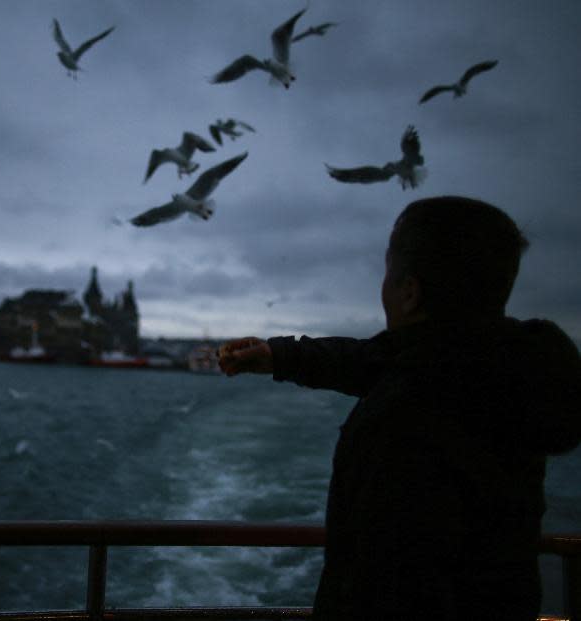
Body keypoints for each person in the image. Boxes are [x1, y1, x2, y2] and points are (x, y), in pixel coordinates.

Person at [218, 196, 581, 620]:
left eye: (388, 274)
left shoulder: (405, 418)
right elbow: (379, 358)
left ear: (409, 291)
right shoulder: (505, 370)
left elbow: (389, 581)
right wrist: (280, 356)